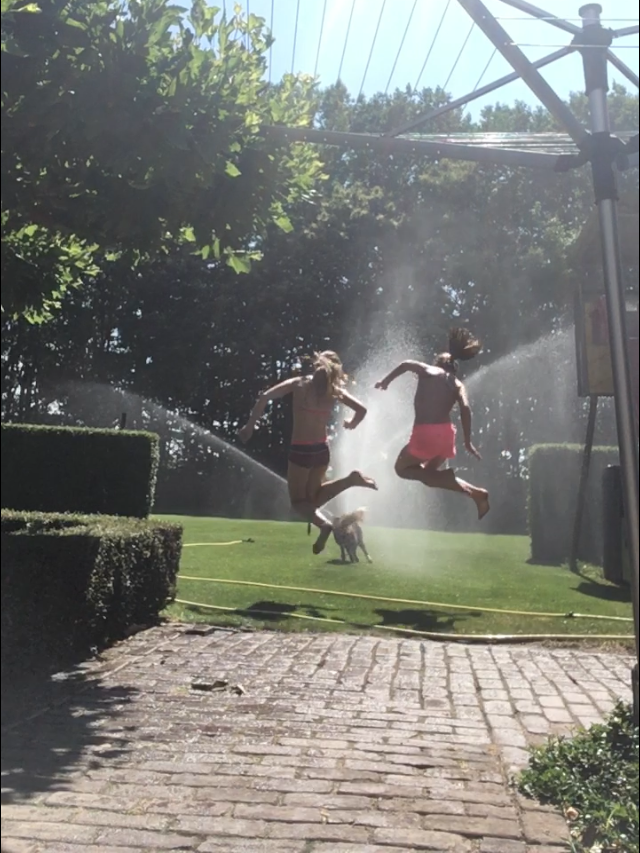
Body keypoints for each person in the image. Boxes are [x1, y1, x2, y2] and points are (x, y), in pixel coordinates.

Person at [238, 350, 378, 553]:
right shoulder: (333, 389)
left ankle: (325, 525)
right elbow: (362, 410)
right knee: (312, 501)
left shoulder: (299, 383)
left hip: (301, 450)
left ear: (316, 365)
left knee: (298, 503)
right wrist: (352, 423)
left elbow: (265, 396)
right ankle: (350, 481)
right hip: (321, 450)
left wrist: (250, 426)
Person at [375, 328, 490, 520]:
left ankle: (457, 483)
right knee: (429, 477)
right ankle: (477, 493)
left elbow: (405, 364)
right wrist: (467, 441)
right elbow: (465, 408)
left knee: (401, 469)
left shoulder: (429, 370)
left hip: (425, 435)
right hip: (446, 436)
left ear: (437, 363)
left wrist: (386, 381)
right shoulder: (458, 384)